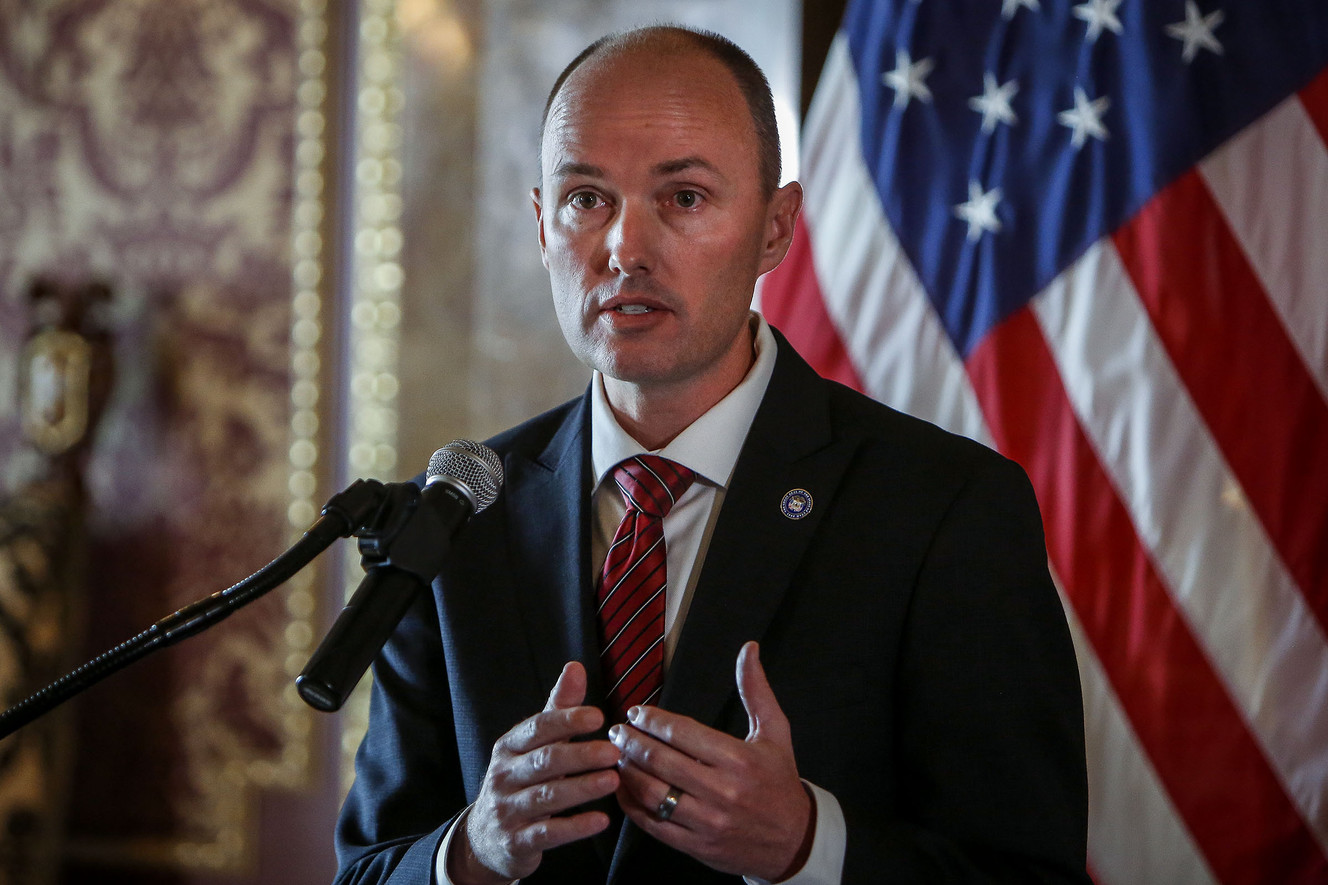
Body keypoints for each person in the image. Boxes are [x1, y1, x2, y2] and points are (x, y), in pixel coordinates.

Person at [334, 25, 1090, 885]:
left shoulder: (944, 508)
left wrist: (812, 847)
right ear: (544, 226)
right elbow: (366, 868)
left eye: (685, 198)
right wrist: (472, 851)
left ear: (775, 230)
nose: (624, 248)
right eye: (586, 198)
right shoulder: (457, 518)